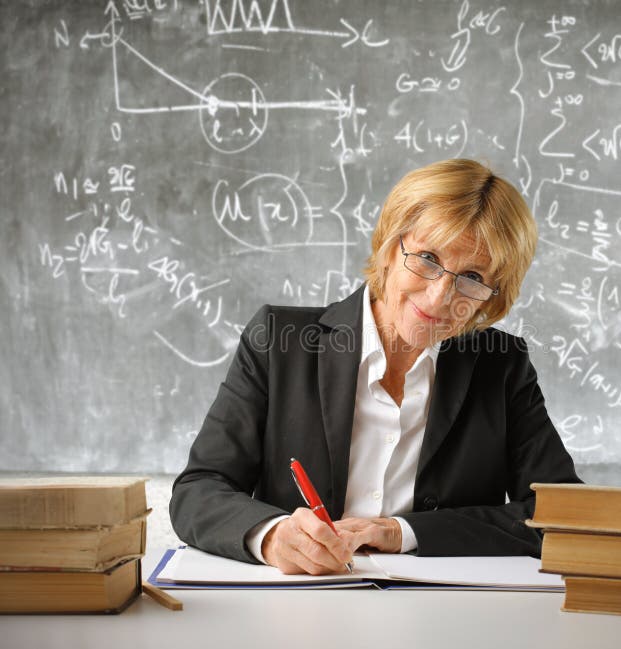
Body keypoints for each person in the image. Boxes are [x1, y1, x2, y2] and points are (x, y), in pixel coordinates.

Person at [170, 159, 580, 575]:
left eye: (472, 276)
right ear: (389, 248)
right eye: (427, 258)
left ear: (492, 295)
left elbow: (563, 513)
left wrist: (402, 532)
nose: (440, 297)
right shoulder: (278, 341)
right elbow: (198, 491)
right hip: (297, 608)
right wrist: (273, 536)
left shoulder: (501, 364)